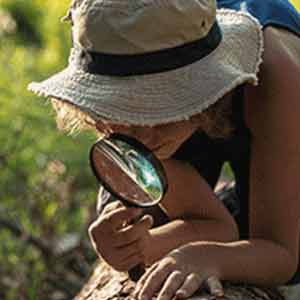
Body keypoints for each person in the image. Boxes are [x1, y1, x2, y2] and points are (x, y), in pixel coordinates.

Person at [28, 0, 300, 299]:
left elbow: (282, 254)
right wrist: (133, 245)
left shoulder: (274, 77)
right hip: (189, 104)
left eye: (155, 107)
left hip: (270, 105)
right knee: (148, 211)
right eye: (123, 111)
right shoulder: (118, 43)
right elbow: (213, 227)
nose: (143, 134)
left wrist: (205, 257)